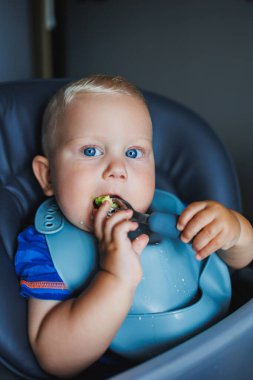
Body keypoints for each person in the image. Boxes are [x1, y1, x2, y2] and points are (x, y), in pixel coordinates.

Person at [15, 74, 253, 378]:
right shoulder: (46, 246)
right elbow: (56, 359)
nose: (117, 169)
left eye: (133, 153)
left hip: (223, 351)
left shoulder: (173, 212)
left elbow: (233, 267)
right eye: (91, 151)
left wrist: (236, 232)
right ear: (47, 176)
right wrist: (115, 278)